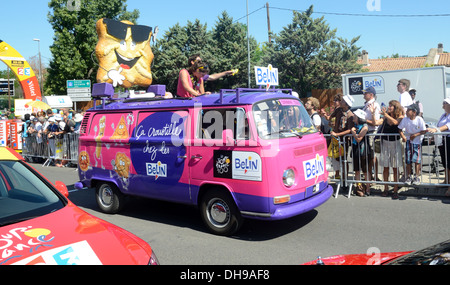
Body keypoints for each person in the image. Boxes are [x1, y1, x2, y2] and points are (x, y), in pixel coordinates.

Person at [375, 100, 404, 198]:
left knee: (395, 168)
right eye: (389, 105)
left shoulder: (400, 116)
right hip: (385, 143)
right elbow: (378, 122)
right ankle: (386, 189)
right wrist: (372, 114)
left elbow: (395, 122)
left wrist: (386, 115)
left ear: (396, 107)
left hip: (395, 143)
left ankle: (395, 190)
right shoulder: (385, 116)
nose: (389, 107)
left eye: (391, 105)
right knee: (385, 168)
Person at [398, 103, 426, 188]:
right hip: (408, 142)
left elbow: (424, 130)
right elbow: (399, 129)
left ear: (414, 112)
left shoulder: (419, 119)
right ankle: (409, 176)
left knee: (416, 159)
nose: (406, 112)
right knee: (408, 160)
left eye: (408, 110)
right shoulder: (405, 119)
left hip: (417, 142)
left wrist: (415, 135)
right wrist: (403, 136)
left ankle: (416, 176)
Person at [427, 98, 450, 196]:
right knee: (445, 162)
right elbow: (437, 127)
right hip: (442, 140)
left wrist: (436, 130)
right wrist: (433, 137)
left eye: (445, 103)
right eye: (443, 103)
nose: (443, 104)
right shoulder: (443, 115)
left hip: (449, 139)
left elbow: (446, 126)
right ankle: (446, 180)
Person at [330, 94, 355, 182]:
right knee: (336, 158)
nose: (341, 102)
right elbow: (331, 117)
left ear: (347, 104)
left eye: (343, 101)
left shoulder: (350, 115)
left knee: (344, 159)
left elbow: (349, 130)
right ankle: (338, 175)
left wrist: (338, 134)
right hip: (336, 139)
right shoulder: (339, 111)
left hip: (344, 140)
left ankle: (345, 178)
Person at [350, 109, 372, 197]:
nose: (353, 117)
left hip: (364, 151)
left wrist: (353, 132)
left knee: (365, 171)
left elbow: (359, 139)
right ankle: (359, 188)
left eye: (355, 116)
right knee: (357, 171)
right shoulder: (355, 125)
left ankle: (367, 188)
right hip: (356, 150)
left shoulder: (365, 126)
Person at [363, 86, 381, 181]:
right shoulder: (367, 104)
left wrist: (363, 120)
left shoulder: (374, 105)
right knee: (369, 155)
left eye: (366, 93)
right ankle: (371, 175)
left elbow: (375, 122)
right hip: (367, 132)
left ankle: (375, 176)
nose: (364, 95)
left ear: (371, 95)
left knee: (372, 155)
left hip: (371, 132)